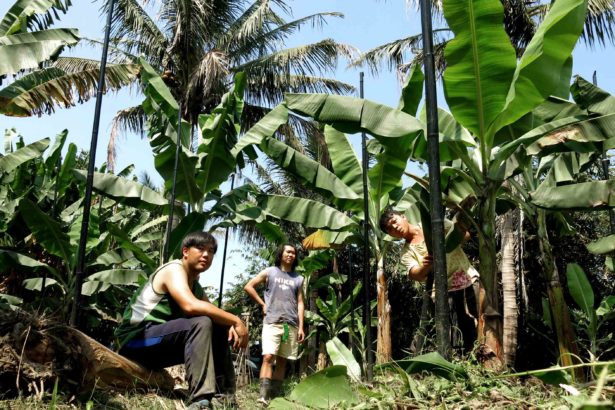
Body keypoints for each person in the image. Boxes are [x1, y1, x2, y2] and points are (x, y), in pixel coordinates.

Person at [115, 231, 248, 410]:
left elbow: (214, 313)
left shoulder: (195, 286)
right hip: (134, 342)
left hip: (157, 347)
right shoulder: (173, 270)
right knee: (201, 322)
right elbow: (190, 306)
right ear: (185, 251)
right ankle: (200, 401)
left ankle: (225, 397)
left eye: (211, 251)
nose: (206, 254)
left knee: (216, 325)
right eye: (200, 248)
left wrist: (228, 324)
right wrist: (237, 321)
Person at [379, 208, 480, 353]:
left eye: (394, 221)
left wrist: (450, 236)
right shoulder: (406, 252)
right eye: (390, 229)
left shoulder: (433, 224)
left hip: (467, 279)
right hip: (442, 293)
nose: (395, 227)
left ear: (403, 217)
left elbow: (465, 236)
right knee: (456, 337)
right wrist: (426, 266)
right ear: (390, 235)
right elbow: (415, 274)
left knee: (479, 325)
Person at [244, 244, 305, 405]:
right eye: (288, 252)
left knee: (283, 360)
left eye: (293, 253)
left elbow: (300, 303)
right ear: (281, 254)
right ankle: (263, 396)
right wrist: (262, 304)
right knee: (268, 357)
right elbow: (249, 287)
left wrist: (301, 327)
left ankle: (276, 397)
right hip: (272, 322)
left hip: (289, 325)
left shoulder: (298, 279)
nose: (291, 255)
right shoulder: (270, 271)